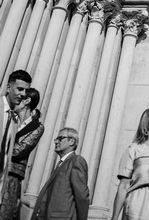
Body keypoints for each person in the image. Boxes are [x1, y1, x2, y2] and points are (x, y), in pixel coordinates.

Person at [0, 87, 44, 220]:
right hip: (1, 169)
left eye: (19, 99)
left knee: (4, 213)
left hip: (12, 177)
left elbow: (19, 150)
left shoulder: (37, 127)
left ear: (27, 101)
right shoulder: (9, 118)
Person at [31, 128, 89, 220]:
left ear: (72, 141)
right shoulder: (61, 163)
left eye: (60, 138)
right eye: (56, 139)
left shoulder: (76, 161)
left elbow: (82, 196)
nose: (56, 142)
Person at [1, 70, 31, 205]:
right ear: (8, 87)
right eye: (20, 89)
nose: (23, 94)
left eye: (26, 91)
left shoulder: (14, 119)